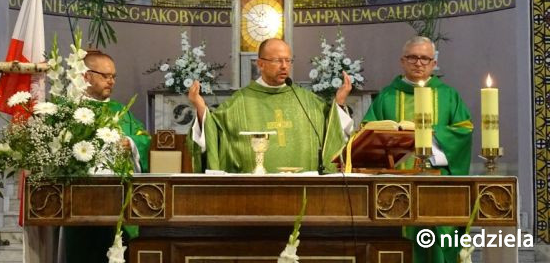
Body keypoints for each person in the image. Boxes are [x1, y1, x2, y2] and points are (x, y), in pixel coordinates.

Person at [361, 35, 473, 263]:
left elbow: (464, 131)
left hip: (438, 182)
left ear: (434, 63)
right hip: (394, 186)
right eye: (412, 57)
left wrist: (429, 134)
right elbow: (367, 135)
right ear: (402, 61)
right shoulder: (387, 96)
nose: (418, 63)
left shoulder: (448, 96)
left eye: (425, 58)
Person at [187, 38, 353, 173]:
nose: (284, 66)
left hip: (304, 191)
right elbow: (214, 132)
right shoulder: (239, 102)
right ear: (260, 64)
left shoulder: (307, 101)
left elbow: (332, 129)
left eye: (288, 60)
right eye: (277, 60)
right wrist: (201, 108)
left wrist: (339, 102)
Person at [64, 50, 151, 263]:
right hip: (81, 205)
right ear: (86, 76)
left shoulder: (120, 111)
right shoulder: (69, 111)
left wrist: (130, 144)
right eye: (105, 76)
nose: (111, 81)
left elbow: (144, 138)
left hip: (120, 203)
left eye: (113, 76)